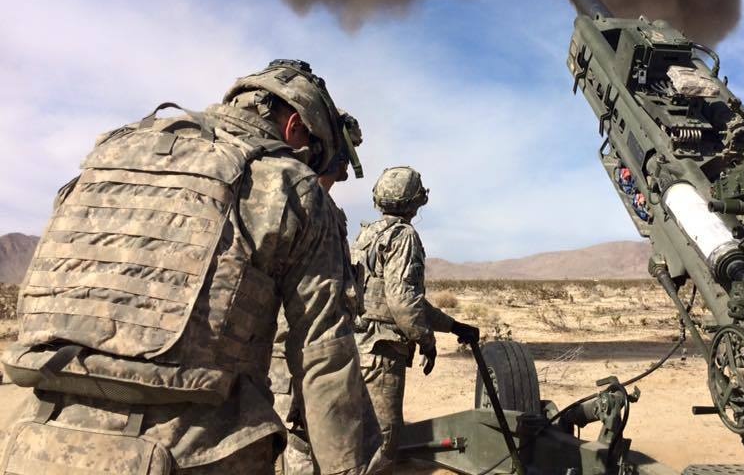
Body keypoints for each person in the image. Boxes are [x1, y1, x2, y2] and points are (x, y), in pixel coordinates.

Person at [0, 59, 380, 475]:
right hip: (193, 453)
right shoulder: (289, 184)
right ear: (294, 127)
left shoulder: (110, 156)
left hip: (36, 443)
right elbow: (322, 356)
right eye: (314, 153)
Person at [352, 166, 480, 473]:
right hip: (383, 353)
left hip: (359, 346)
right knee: (383, 442)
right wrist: (426, 341)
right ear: (416, 201)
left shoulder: (367, 235)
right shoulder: (404, 236)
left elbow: (400, 300)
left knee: (358, 436)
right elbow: (402, 300)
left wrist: (454, 326)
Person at [271, 110, 365, 475]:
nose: (344, 169)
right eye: (344, 153)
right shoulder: (291, 202)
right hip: (286, 369)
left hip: (311, 367)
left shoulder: (327, 212)